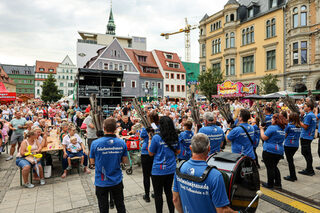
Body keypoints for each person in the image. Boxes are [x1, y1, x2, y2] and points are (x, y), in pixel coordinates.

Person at [173, 133, 237, 213]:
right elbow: (222, 210)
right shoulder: (215, 176)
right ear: (209, 149)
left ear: (190, 148)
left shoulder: (180, 168)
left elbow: (175, 199)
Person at [90, 118, 128, 213]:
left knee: (103, 208)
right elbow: (124, 161)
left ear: (104, 128)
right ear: (115, 129)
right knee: (120, 206)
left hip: (101, 181)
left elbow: (92, 162)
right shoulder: (122, 143)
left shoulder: (95, 143)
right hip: (116, 180)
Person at [148, 116, 180, 213]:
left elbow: (150, 153)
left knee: (158, 195)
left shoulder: (156, 137)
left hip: (158, 170)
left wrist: (149, 139)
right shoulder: (175, 136)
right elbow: (178, 151)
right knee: (169, 193)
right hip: (170, 169)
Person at [259, 113, 287, 188]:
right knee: (274, 167)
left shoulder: (272, 127)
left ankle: (270, 184)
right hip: (279, 151)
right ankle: (278, 183)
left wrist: (261, 129)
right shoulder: (282, 128)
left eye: (272, 118)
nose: (271, 120)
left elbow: (264, 137)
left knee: (270, 168)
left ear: (276, 120)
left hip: (269, 150)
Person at [140, 111, 159, 203]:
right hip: (155, 152)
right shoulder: (158, 126)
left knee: (146, 175)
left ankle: (147, 195)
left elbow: (142, 136)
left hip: (146, 152)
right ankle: (155, 193)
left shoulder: (146, 127)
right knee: (154, 174)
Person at [299, 101, 317, 176]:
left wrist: (298, 121)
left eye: (305, 106)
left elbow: (306, 126)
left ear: (309, 108)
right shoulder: (312, 115)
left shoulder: (309, 115)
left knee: (306, 153)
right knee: (307, 153)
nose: (304, 107)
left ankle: (310, 170)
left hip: (306, 136)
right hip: (309, 136)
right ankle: (309, 168)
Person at [283, 112, 301, 182]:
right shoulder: (299, 126)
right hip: (295, 145)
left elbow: (285, 135)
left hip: (288, 145)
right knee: (291, 160)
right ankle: (293, 176)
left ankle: (292, 176)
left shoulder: (289, 126)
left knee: (290, 161)